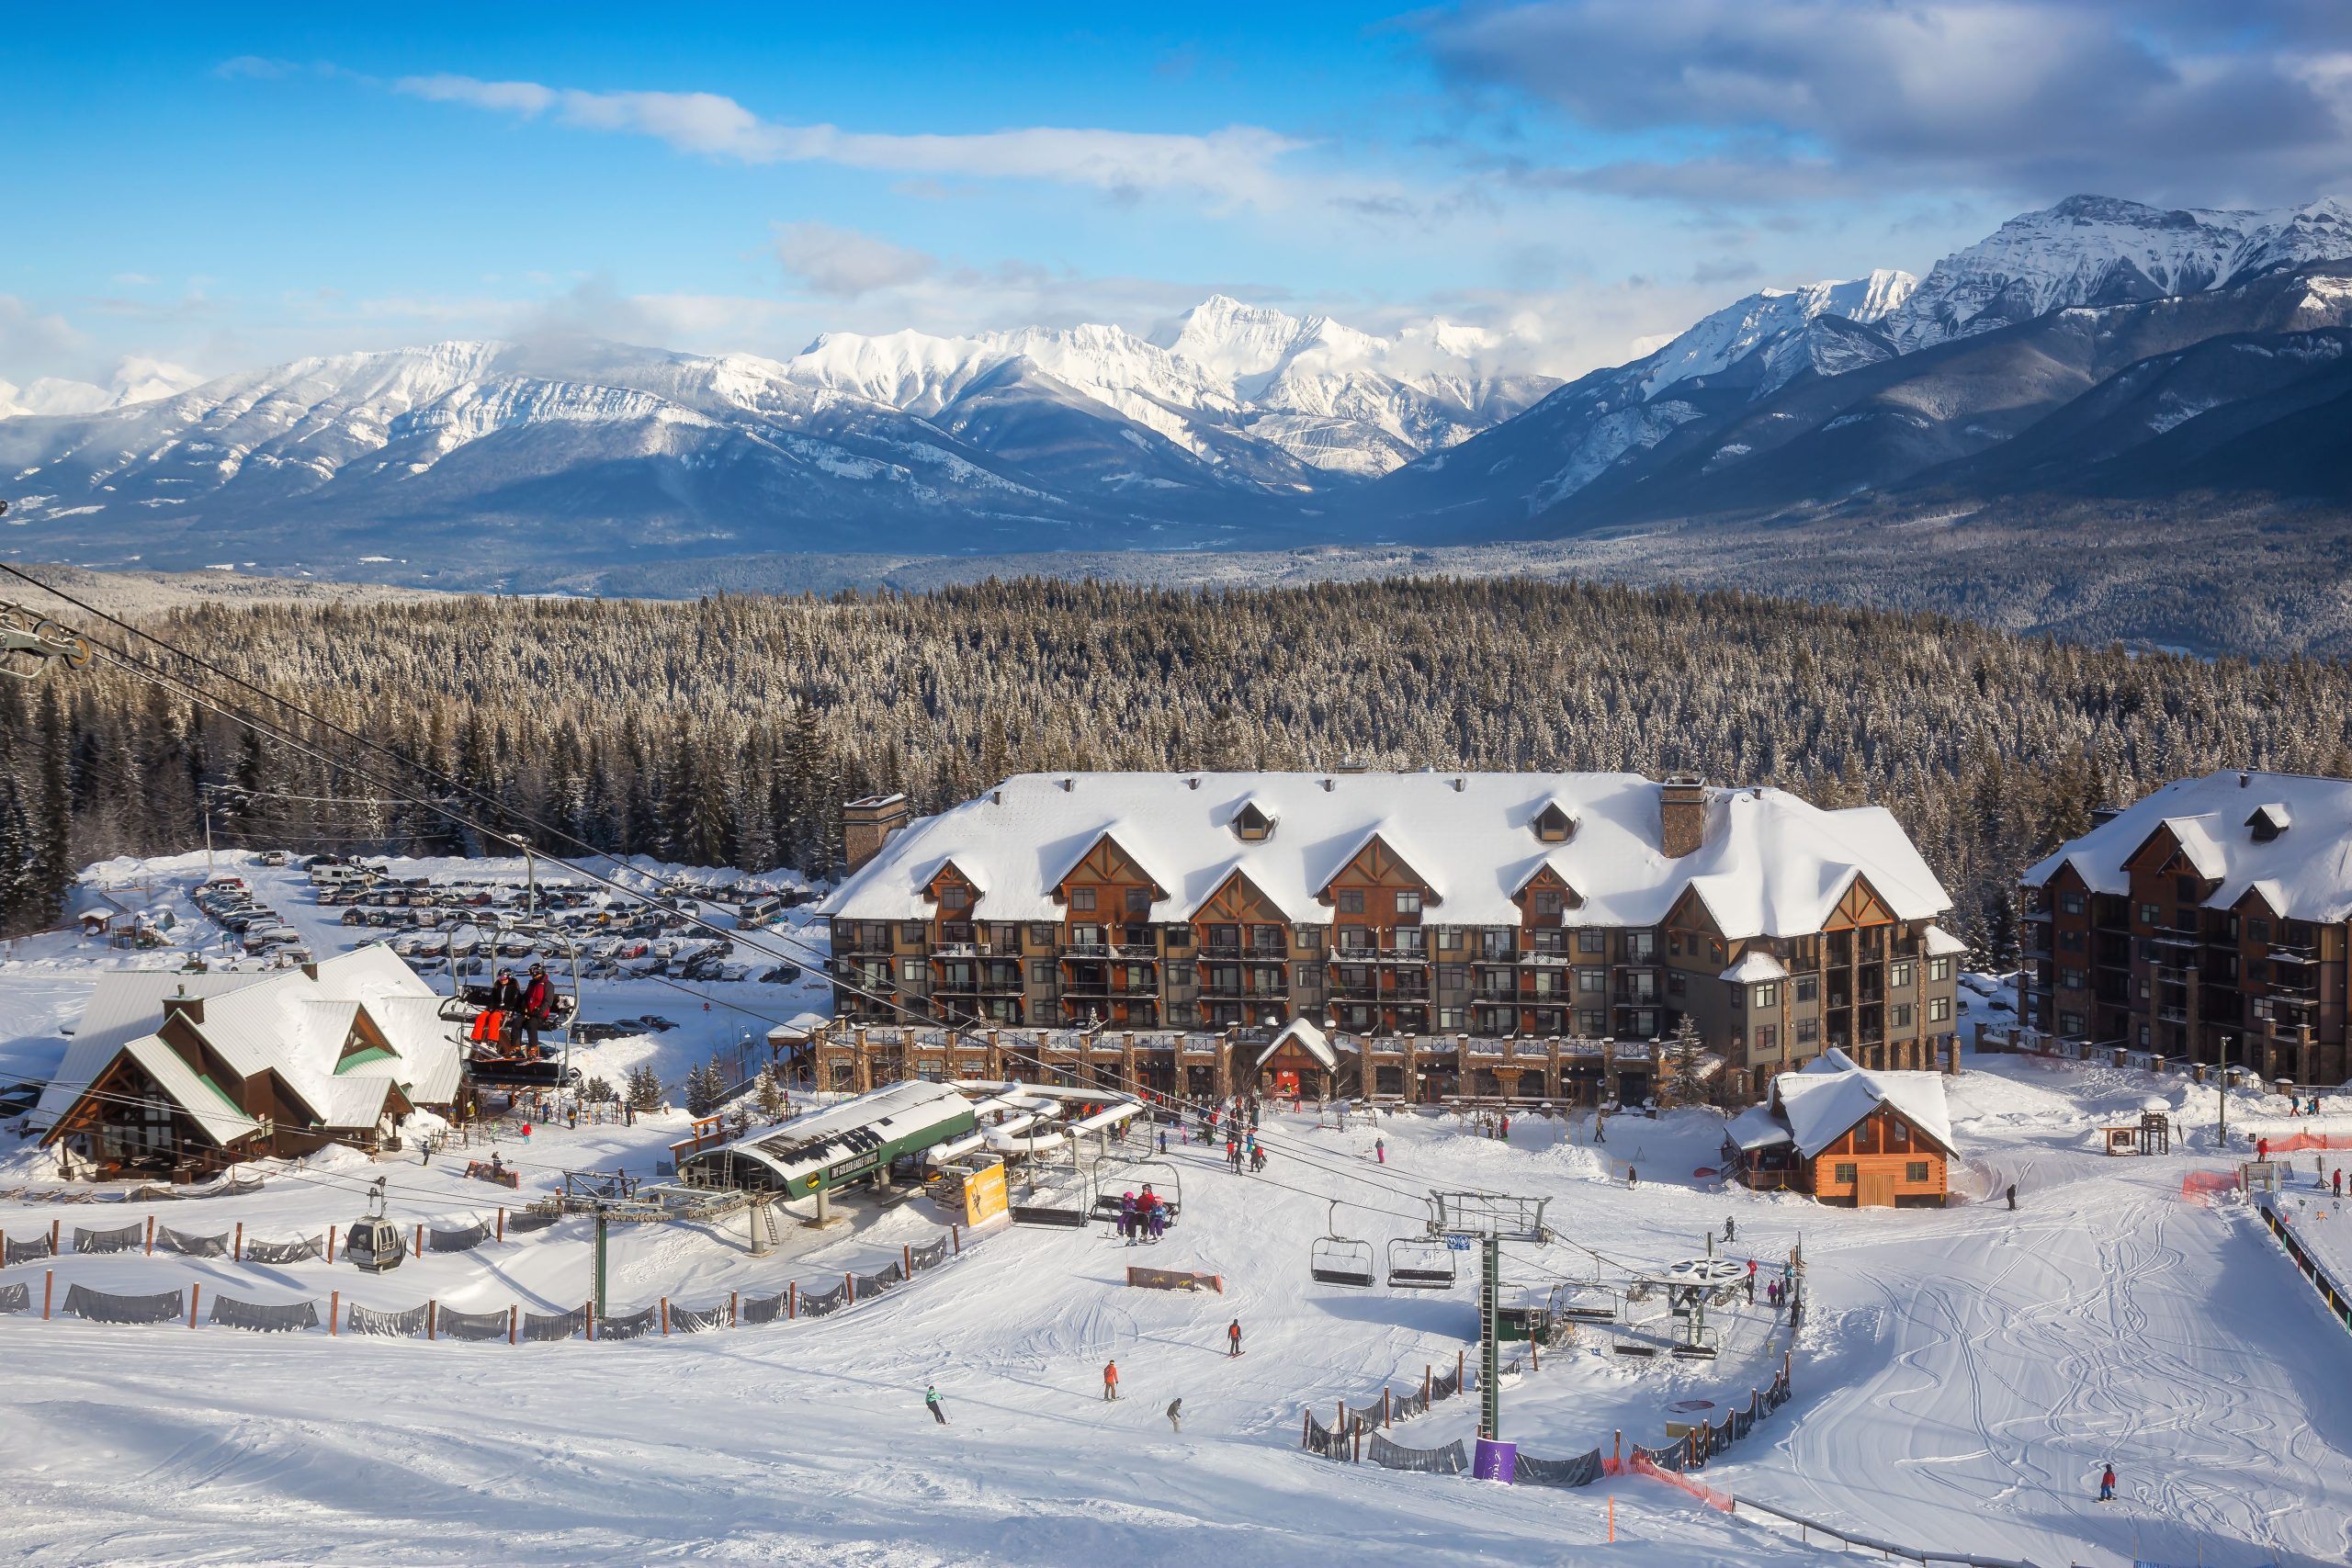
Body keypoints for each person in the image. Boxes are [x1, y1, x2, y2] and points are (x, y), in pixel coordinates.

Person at [522, 963, 554, 1056]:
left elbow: (548, 1002)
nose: (534, 977)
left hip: (540, 1015)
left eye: (536, 975)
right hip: (530, 1013)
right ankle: (515, 1046)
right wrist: (523, 1006)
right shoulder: (532, 984)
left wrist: (539, 1010)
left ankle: (533, 1048)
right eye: (533, 976)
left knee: (531, 1024)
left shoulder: (548, 985)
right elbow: (526, 997)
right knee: (517, 1022)